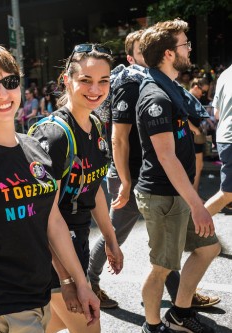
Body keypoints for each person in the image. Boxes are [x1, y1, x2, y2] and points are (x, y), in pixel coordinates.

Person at [0, 44, 100, 333]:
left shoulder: (35, 148)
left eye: (10, 82)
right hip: (2, 305)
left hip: (38, 297)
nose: (3, 94)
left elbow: (52, 221)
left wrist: (80, 283)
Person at [87, 30, 220, 311]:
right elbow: (119, 139)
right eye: (142, 51)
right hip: (133, 175)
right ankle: (90, 283)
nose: (149, 57)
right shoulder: (130, 86)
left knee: (164, 244)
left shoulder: (160, 83)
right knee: (115, 235)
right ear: (131, 56)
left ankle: (182, 298)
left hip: (153, 174)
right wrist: (124, 180)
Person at [30, 43, 123, 333]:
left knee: (51, 324)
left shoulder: (96, 124)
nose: (96, 89)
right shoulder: (55, 135)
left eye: (103, 81)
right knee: (88, 326)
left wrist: (110, 238)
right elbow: (43, 215)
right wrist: (68, 281)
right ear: (66, 80)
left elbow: (93, 185)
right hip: (53, 252)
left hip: (78, 242)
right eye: (85, 80)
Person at [135, 19, 221, 333]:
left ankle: (180, 314)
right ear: (169, 54)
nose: (189, 48)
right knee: (161, 268)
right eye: (184, 44)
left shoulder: (171, 89)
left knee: (208, 248)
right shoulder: (156, 97)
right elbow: (165, 155)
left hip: (177, 194)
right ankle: (153, 326)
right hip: (164, 196)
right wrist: (197, 203)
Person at [205, 64, 232, 214]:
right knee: (228, 193)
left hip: (224, 137)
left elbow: (216, 113)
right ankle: (190, 231)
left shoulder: (224, 74)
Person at [188, 78, 211, 194]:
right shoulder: (187, 97)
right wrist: (196, 129)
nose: (203, 94)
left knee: (198, 165)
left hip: (194, 135)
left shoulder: (193, 98)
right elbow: (183, 118)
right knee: (196, 166)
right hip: (190, 136)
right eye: (203, 91)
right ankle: (194, 195)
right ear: (196, 87)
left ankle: (194, 193)